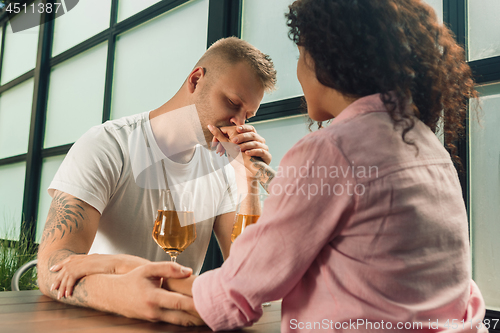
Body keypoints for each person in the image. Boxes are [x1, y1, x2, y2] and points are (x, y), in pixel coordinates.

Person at [160, 0, 487, 331]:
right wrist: (254, 174)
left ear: (328, 59)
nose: (299, 73)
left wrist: (130, 280)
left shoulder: (332, 150)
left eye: (301, 55)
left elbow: (236, 290)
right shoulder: (428, 146)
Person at [37, 37, 277, 326]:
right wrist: (124, 292)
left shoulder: (223, 167)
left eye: (247, 115)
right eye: (232, 103)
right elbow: (51, 268)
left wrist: (248, 180)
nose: (238, 123)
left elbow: (250, 277)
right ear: (196, 79)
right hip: (101, 323)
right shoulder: (108, 145)